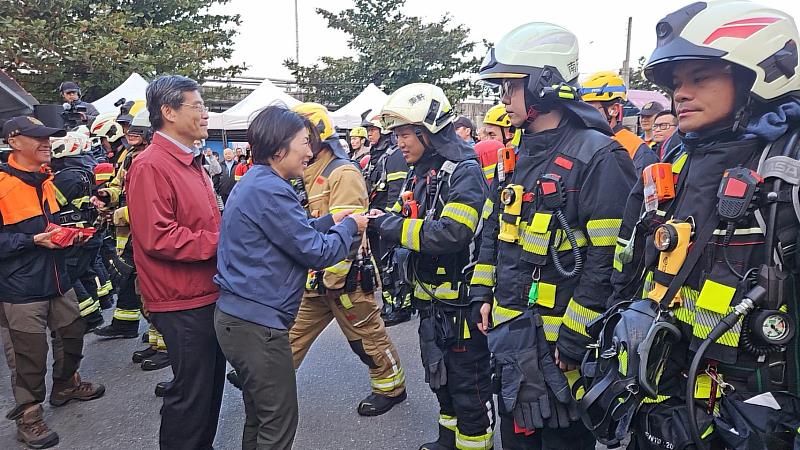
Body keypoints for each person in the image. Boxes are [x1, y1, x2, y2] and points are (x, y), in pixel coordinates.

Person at [589, 2, 800, 449]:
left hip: (757, 412)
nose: (680, 95)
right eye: (676, 84)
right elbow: (630, 261)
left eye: (700, 78)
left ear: (759, 76)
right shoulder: (674, 160)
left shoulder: (787, 169)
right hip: (665, 396)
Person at [472, 22, 636, 450]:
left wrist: (576, 335)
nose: (503, 99)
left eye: (510, 87)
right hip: (512, 344)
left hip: (562, 354)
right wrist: (481, 293)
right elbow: (493, 231)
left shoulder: (599, 156)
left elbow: (609, 261)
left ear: (543, 84)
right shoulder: (513, 156)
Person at [214, 105, 368, 450]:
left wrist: (330, 221)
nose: (310, 152)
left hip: (239, 318)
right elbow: (316, 252)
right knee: (278, 422)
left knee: (259, 415)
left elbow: (289, 231)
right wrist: (349, 226)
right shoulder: (272, 189)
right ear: (279, 147)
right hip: (257, 326)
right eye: (304, 142)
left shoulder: (257, 181)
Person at [371, 83, 495, 450]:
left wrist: (390, 226)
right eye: (396, 135)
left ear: (429, 131)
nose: (399, 143)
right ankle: (447, 440)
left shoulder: (464, 171)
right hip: (432, 303)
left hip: (461, 305)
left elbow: (453, 233)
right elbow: (403, 215)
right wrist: (378, 218)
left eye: (405, 134)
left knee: (468, 387)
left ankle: (475, 444)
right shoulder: (422, 172)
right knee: (440, 379)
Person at [288, 102, 407, 416]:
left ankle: (392, 388)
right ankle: (267, 380)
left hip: (344, 280)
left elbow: (352, 229)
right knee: (291, 334)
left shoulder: (342, 172)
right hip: (316, 278)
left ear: (316, 136)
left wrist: (335, 278)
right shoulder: (306, 172)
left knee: (367, 339)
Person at [126, 75, 226, 449]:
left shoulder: (191, 161)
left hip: (204, 293)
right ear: (168, 112)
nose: (205, 114)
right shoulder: (151, 165)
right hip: (181, 300)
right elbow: (158, 237)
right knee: (191, 395)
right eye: (197, 106)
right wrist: (223, 243)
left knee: (208, 389)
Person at [0, 116, 105, 449]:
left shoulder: (46, 180)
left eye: (48, 137)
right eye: (38, 137)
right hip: (20, 288)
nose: (46, 143)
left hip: (59, 278)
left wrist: (74, 231)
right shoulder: (2, 183)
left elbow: (52, 225)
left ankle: (65, 385)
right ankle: (29, 416)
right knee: (28, 356)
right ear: (14, 141)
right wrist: (33, 241)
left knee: (73, 334)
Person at [49, 130, 105, 332]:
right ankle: (94, 313)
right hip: (87, 233)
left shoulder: (65, 177)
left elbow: (53, 204)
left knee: (68, 276)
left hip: (75, 235)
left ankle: (89, 317)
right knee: (85, 274)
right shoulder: (83, 170)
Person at [363, 115, 412, 326]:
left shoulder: (395, 156)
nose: (369, 134)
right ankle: (390, 305)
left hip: (388, 222)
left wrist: (389, 220)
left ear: (383, 131)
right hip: (378, 221)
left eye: (372, 130)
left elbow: (396, 193)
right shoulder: (377, 155)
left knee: (393, 266)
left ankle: (399, 307)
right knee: (383, 266)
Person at [581, 71, 659, 173]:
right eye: (583, 109)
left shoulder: (637, 149)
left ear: (614, 110)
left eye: (591, 109)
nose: (585, 115)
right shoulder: (583, 141)